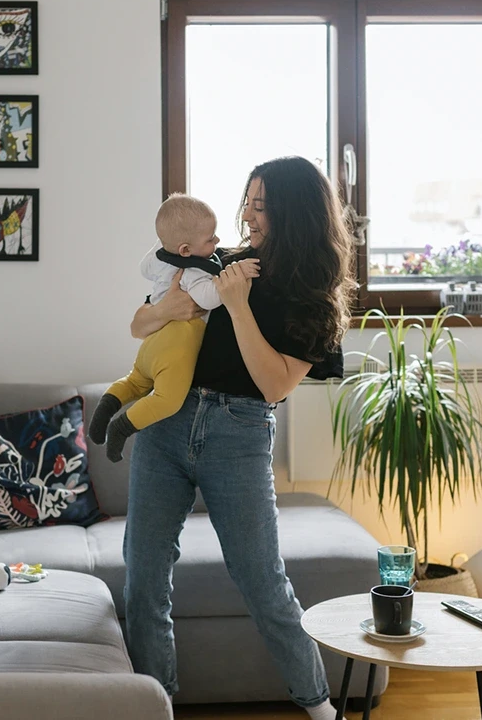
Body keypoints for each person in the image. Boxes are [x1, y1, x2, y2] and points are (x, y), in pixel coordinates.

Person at [123, 157, 358, 720]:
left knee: (262, 582)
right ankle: (159, 707)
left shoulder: (315, 298)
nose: (247, 214)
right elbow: (139, 324)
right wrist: (171, 309)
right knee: (144, 580)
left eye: (260, 204)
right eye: (247, 200)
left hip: (240, 431)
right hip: (167, 420)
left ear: (292, 212)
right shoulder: (226, 262)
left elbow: (274, 383)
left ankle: (319, 705)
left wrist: (236, 304)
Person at [89, 194, 223, 462]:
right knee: (167, 399)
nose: (217, 241)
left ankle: (104, 410)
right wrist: (226, 283)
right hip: (176, 342)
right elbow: (209, 298)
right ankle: (121, 427)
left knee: (136, 381)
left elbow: (144, 268)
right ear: (185, 250)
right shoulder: (195, 271)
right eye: (211, 238)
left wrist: (164, 242)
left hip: (151, 343)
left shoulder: (162, 260)